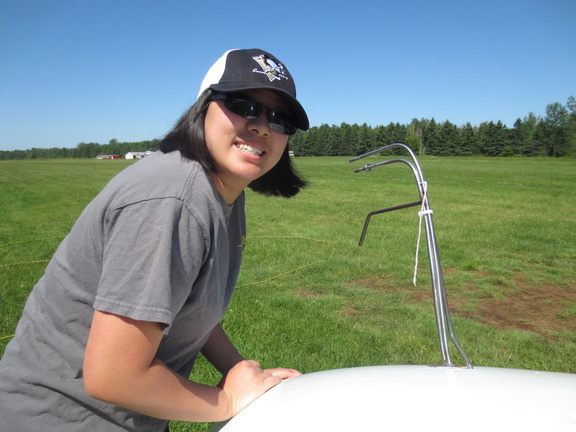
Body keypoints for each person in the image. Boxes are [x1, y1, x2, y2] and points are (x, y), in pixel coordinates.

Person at [0, 48, 310, 431]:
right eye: (243, 105)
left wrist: (242, 373)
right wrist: (227, 399)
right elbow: (114, 376)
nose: (263, 126)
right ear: (203, 106)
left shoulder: (225, 193)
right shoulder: (174, 197)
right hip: (62, 418)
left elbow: (188, 306)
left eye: (280, 119)